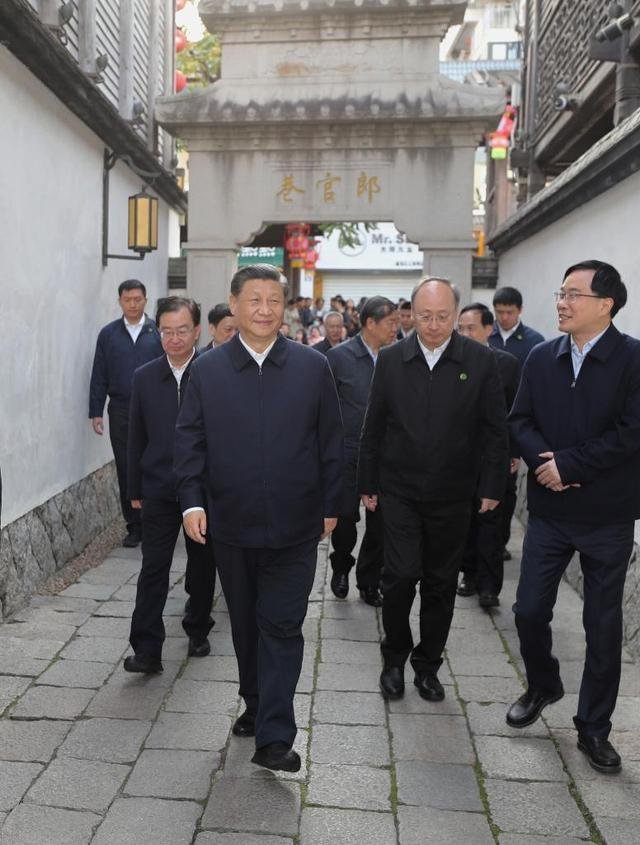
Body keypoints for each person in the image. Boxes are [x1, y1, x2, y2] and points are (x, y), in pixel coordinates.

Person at [175, 264, 344, 773]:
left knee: (283, 625)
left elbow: (331, 441)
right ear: (234, 304)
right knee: (247, 625)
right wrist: (192, 502)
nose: (265, 310)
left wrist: (332, 505)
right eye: (254, 300)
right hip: (231, 524)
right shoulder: (207, 371)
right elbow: (189, 442)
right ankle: (254, 700)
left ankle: (274, 736)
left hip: (296, 525)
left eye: (274, 300)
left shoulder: (312, 367)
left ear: (285, 307)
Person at [506, 260, 640, 775]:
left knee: (601, 626)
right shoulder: (543, 357)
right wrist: (548, 465)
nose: (562, 303)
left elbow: (631, 433)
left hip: (607, 516)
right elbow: (520, 419)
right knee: (528, 610)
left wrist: (570, 465)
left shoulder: (632, 360)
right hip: (551, 512)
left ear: (606, 304)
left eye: (573, 295)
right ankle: (544, 683)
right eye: (561, 293)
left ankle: (594, 727)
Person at [358, 278, 508, 703]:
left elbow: (495, 429)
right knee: (400, 576)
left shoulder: (479, 360)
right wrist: (367, 482)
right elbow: (374, 425)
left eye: (443, 316)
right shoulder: (392, 359)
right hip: (399, 490)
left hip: (453, 493)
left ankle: (427, 665)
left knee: (440, 583)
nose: (434, 325)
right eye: (425, 316)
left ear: (456, 315)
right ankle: (393, 659)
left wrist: (492, 484)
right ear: (410, 315)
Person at [124, 297, 215, 674]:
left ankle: (198, 627)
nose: (174, 339)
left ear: (197, 331)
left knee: (202, 565)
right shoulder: (145, 376)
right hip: (159, 487)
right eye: (166, 331)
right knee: (153, 568)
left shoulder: (212, 372)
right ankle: (147, 648)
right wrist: (134, 488)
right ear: (157, 332)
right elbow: (136, 436)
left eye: (182, 331)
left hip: (203, 490)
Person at [327, 296, 398, 606]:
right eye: (391, 323)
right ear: (370, 323)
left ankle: (369, 582)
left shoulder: (398, 357)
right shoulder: (338, 357)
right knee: (345, 519)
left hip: (384, 455)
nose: (396, 329)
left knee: (379, 523)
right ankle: (341, 567)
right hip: (347, 453)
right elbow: (323, 408)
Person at [89, 280, 163, 547]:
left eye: (137, 299)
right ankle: (134, 525)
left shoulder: (157, 332)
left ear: (145, 300)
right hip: (121, 409)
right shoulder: (108, 334)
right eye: (127, 299)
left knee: (153, 463)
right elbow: (99, 373)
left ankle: (155, 521)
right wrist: (96, 411)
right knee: (126, 466)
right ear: (119, 301)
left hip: (155, 409)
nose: (132, 304)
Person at [456, 303, 520, 607]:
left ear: (488, 329)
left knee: (492, 522)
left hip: (495, 456)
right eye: (461, 328)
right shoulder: (452, 361)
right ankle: (468, 574)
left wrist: (514, 452)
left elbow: (517, 412)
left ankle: (489, 587)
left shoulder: (507, 364)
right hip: (460, 456)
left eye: (471, 328)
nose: (465, 333)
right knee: (465, 521)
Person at [489, 286, 543, 559]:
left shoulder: (533, 342)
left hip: (514, 425)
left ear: (519, 311)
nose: (503, 317)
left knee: (506, 490)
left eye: (509, 312)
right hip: (487, 422)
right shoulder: (487, 335)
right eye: (499, 312)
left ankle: (500, 541)